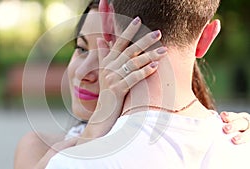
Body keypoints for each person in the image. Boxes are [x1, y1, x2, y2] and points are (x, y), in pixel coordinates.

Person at [14, 1, 250, 169]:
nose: (84, 72)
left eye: (109, 53)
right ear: (204, 38)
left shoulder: (234, 134)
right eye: (81, 48)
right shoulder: (38, 148)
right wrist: (97, 125)